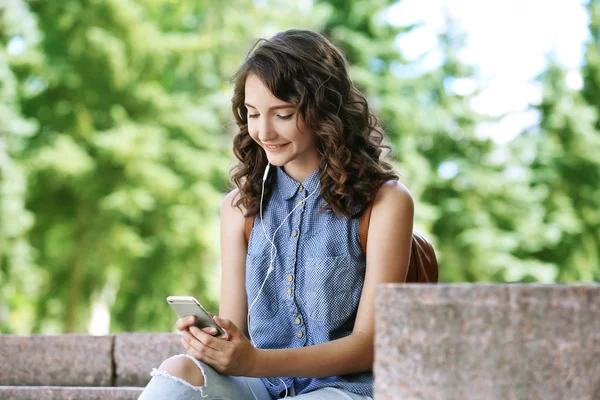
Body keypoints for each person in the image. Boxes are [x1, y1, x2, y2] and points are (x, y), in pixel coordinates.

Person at [139, 28, 414, 400]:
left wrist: (254, 362)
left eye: (283, 114)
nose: (263, 131)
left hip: (346, 390)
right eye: (253, 114)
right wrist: (215, 344)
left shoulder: (386, 203)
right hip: (262, 386)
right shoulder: (239, 209)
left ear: (324, 111)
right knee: (179, 371)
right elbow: (237, 328)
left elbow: (369, 344)